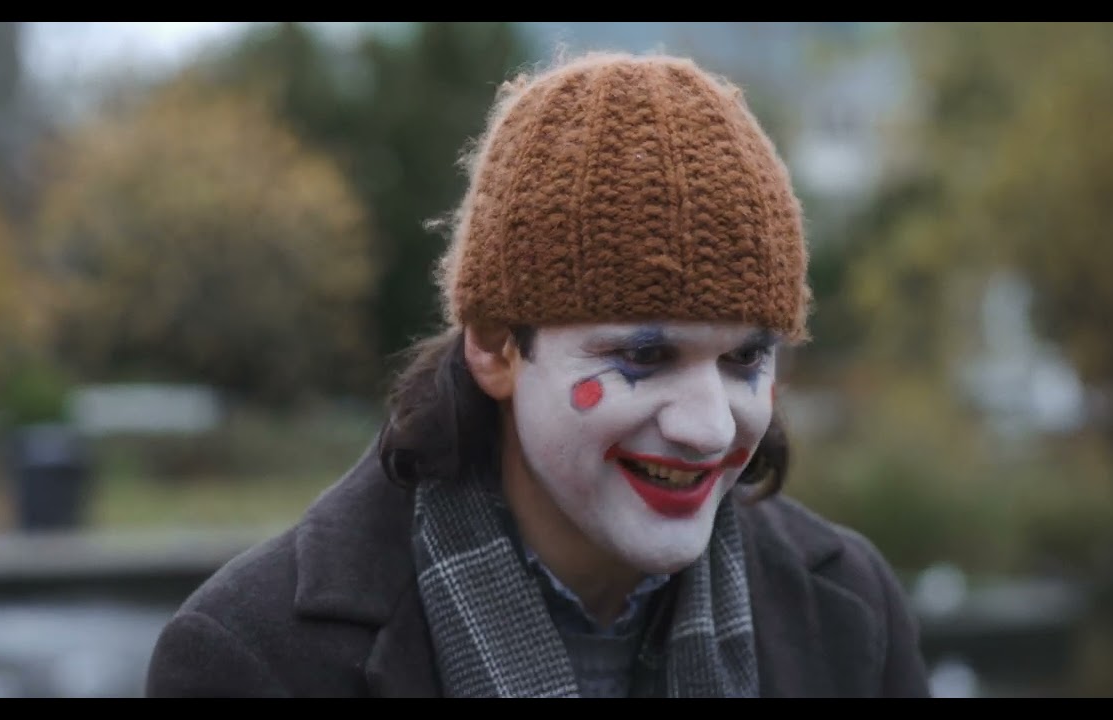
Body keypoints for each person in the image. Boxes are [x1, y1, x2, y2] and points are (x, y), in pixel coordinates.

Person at [145, 50, 932, 698]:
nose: (710, 427)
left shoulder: (851, 612)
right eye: (645, 356)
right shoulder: (255, 659)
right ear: (495, 348)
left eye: (745, 358)